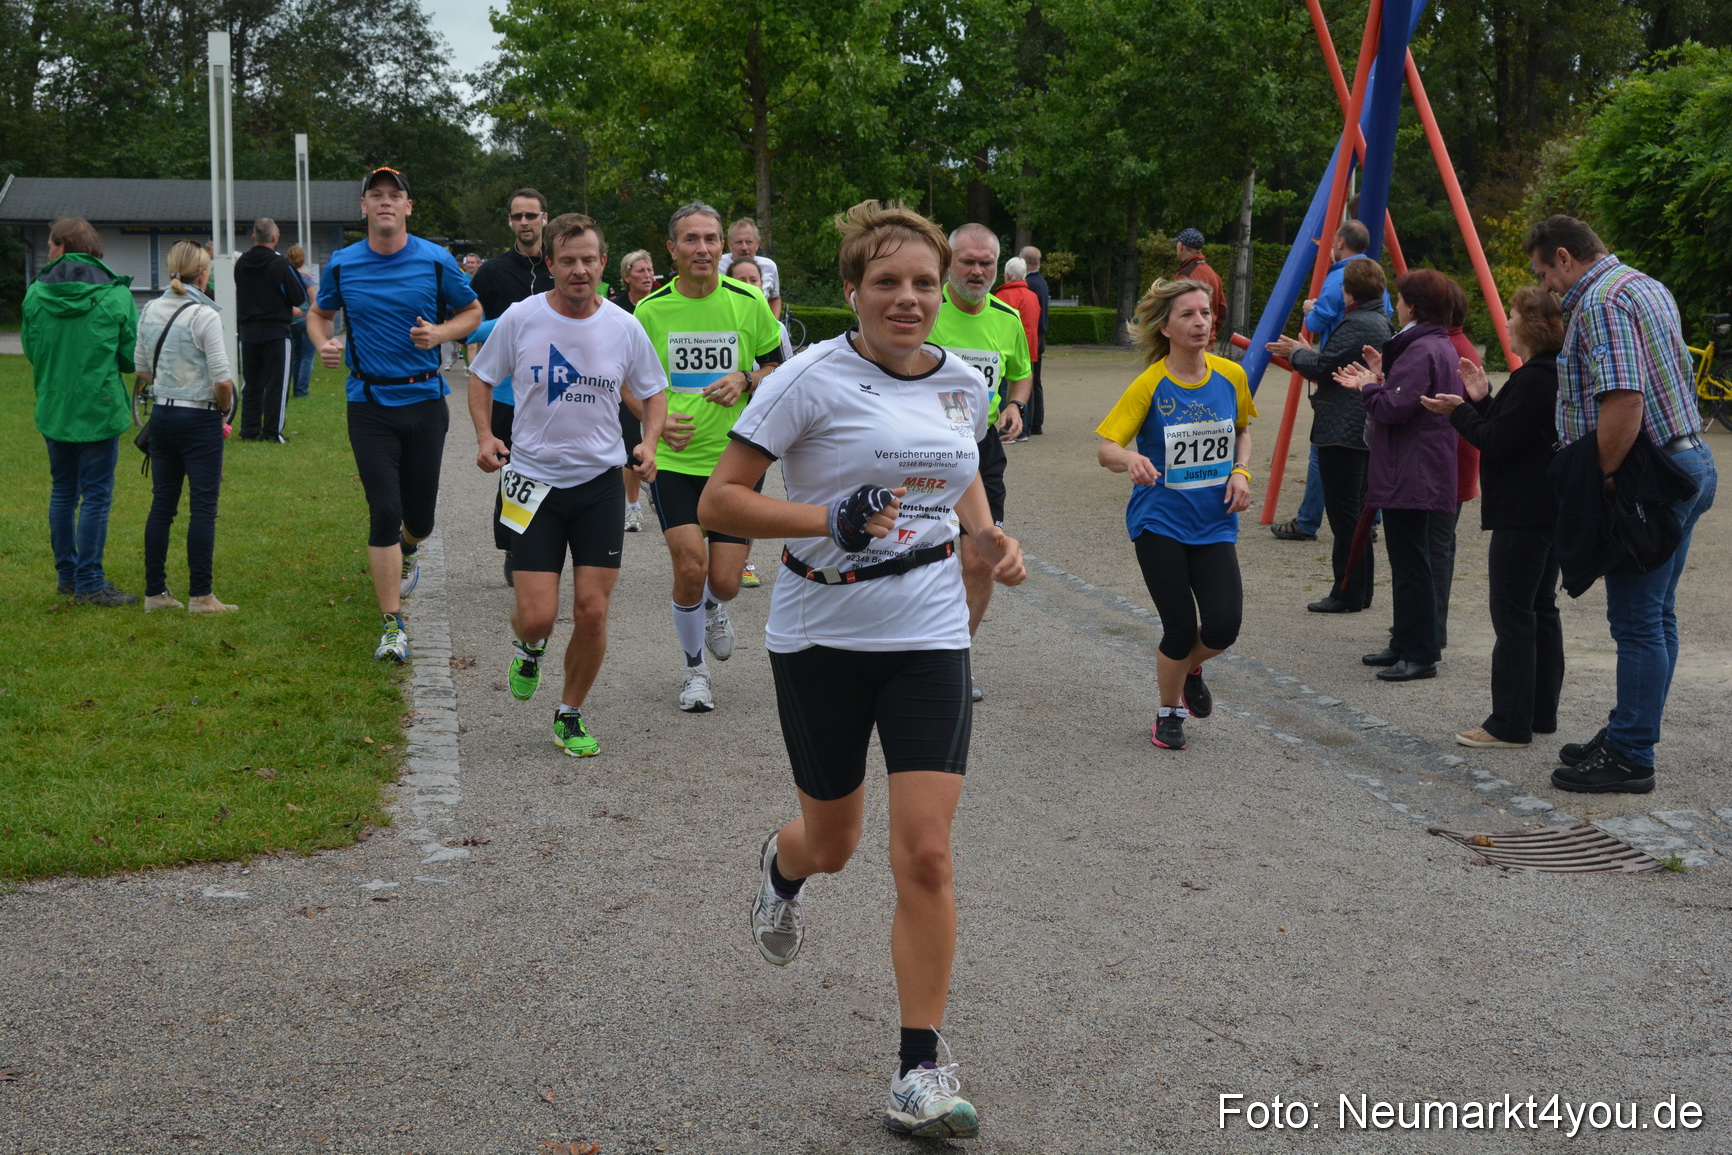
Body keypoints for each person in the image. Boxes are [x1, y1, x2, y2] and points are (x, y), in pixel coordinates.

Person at [699, 199, 1024, 1141]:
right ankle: (782, 862)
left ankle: (918, 1070)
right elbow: (724, 498)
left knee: (925, 851)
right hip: (820, 635)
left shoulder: (962, 381)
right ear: (853, 291)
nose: (909, 298)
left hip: (926, 632)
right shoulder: (804, 380)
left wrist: (989, 539)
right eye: (887, 282)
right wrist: (828, 518)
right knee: (833, 840)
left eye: (923, 282)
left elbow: (962, 469)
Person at [1525, 215, 1716, 793]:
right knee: (1657, 617)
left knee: (1636, 622)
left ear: (1564, 256)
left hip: (1647, 477)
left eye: (1543, 273)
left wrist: (1604, 480)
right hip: (1685, 460)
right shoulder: (1643, 285)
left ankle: (1633, 754)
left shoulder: (1601, 301)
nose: (1547, 288)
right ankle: (1631, 729)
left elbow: (1625, 401)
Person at [467, 213, 668, 757]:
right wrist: (486, 437)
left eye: (589, 260)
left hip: (600, 483)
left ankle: (569, 713)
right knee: (537, 615)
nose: (579, 270)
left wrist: (649, 443)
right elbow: (482, 376)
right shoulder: (521, 317)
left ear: (604, 264)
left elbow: (653, 391)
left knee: (593, 610)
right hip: (532, 484)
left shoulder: (625, 326)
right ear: (550, 263)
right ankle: (529, 649)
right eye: (568, 261)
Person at [306, 166, 482, 662]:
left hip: (425, 400)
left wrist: (442, 334)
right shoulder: (343, 263)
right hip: (369, 404)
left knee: (419, 519)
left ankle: (410, 548)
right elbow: (319, 314)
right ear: (363, 207)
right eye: (375, 195)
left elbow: (472, 312)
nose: (385, 202)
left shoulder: (435, 259)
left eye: (394, 195)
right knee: (384, 510)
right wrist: (326, 342)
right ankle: (392, 625)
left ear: (408, 207)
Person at [633, 202, 785, 711]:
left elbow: (775, 368)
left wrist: (745, 378)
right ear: (671, 249)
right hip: (676, 463)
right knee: (690, 565)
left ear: (723, 247)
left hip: (735, 462)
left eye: (711, 239)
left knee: (724, 580)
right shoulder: (650, 312)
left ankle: (716, 608)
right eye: (691, 240)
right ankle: (693, 670)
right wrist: (653, 423)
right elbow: (624, 382)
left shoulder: (747, 301)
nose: (703, 248)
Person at [1097, 279, 1256, 750]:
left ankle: (1190, 669)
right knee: (1181, 626)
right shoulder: (1150, 383)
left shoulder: (1231, 376)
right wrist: (1130, 460)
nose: (1201, 322)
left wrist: (1242, 472)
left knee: (1225, 625)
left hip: (1214, 521)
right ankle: (1168, 713)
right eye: (1187, 314)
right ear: (1165, 326)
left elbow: (1242, 430)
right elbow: (1107, 448)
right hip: (1159, 521)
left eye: (1205, 313)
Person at [1419, 286, 1564, 747]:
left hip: (1524, 512)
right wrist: (1481, 400)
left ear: (1530, 326)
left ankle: (1509, 722)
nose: (1507, 324)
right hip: (1544, 508)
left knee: (1515, 614)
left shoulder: (1537, 377)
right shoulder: (1545, 374)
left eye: (1513, 316)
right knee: (1540, 609)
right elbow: (1508, 428)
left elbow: (1498, 441)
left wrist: (1459, 411)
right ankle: (1538, 713)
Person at [1333, 268, 1466, 683]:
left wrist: (1369, 387)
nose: (1398, 303)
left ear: (1414, 304)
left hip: (1413, 469)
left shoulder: (1422, 347)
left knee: (1412, 563)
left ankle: (1420, 652)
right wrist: (1383, 378)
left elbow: (1394, 407)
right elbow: (1404, 394)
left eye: (1403, 297)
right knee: (1410, 560)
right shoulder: (1432, 344)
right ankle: (1406, 642)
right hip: (1417, 466)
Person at [927, 222, 1033, 703]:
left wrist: (1015, 406)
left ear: (997, 266)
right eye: (967, 261)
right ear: (949, 263)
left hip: (980, 449)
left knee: (981, 559)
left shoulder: (1007, 319)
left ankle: (956, 657)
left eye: (985, 263)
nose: (976, 271)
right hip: (922, 448)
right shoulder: (927, 311)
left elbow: (1021, 376)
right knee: (916, 555)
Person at [23, 217, 140, 605]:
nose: (48, 253)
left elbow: (32, 351)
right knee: (95, 497)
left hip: (56, 406)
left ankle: (70, 577)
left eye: (51, 246)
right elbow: (129, 359)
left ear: (61, 246)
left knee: (63, 492)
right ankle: (89, 582)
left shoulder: (35, 295)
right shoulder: (116, 296)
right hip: (98, 408)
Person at [1266, 257, 1392, 612]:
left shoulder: (1357, 324)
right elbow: (1333, 360)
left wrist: (1297, 355)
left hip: (1343, 430)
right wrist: (1305, 353)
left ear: (1347, 291)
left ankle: (1347, 591)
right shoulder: (1378, 320)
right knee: (1357, 515)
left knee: (1345, 516)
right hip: (1360, 428)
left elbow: (1324, 368)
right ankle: (1360, 590)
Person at [133, 241, 238, 614]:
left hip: (162, 416)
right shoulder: (204, 315)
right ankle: (201, 595)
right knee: (203, 508)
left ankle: (155, 592)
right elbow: (223, 380)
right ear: (204, 274)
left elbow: (142, 370)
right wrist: (224, 411)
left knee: (162, 505)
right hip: (199, 417)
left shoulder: (149, 310)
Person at [1272, 219, 1385, 543]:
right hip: (1358, 385)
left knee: (1323, 459)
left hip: (1340, 389)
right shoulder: (1379, 299)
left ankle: (1308, 521)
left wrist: (1310, 313)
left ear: (1339, 243)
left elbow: (1319, 328)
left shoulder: (1340, 277)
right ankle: (1371, 521)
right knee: (1365, 468)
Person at [471, 189, 557, 587]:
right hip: (509, 391)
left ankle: (551, 544)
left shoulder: (561, 264)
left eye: (531, 215)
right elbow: (467, 324)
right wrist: (509, 322)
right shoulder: (492, 273)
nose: (524, 222)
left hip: (557, 385)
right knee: (514, 473)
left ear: (544, 218)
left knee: (557, 467)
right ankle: (513, 547)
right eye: (517, 216)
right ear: (510, 221)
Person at [233, 218, 307, 442]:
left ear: (254, 237)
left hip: (247, 331)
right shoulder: (281, 265)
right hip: (276, 330)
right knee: (277, 383)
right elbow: (298, 295)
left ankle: (249, 429)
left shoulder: (241, 263)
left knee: (252, 383)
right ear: (275, 238)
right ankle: (272, 432)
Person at [607, 249, 659, 532]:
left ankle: (656, 488)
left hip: (654, 385)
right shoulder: (614, 308)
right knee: (630, 447)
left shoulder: (660, 305)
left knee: (657, 442)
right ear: (627, 277)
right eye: (640, 271)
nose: (647, 276)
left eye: (650, 270)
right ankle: (633, 507)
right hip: (623, 387)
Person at [993, 257, 1041, 443]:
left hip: (1009, 351)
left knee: (1007, 391)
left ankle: (1008, 430)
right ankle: (1024, 429)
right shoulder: (1032, 296)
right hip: (1029, 349)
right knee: (1023, 390)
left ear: (1007, 275)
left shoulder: (1003, 296)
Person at [717, 217, 783, 319]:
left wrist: (773, 323)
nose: (744, 248)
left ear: (756, 244)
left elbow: (774, 299)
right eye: (739, 242)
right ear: (729, 245)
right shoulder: (716, 265)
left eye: (749, 242)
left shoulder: (769, 266)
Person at [1173, 228, 1226, 344]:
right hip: (1208, 341)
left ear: (1181, 246)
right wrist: (1210, 333)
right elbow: (1222, 311)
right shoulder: (1213, 274)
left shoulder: (1184, 276)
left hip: (1189, 344)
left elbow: (1177, 312)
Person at [1019, 245, 1050, 435]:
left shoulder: (1030, 284)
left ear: (1025, 261)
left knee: (1028, 380)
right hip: (1040, 336)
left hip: (1032, 338)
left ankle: (1029, 423)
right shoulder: (1042, 282)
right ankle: (1036, 422)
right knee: (1036, 381)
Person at [285, 245, 317, 399]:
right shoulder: (306, 279)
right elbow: (315, 301)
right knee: (307, 357)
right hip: (306, 320)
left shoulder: (285, 279)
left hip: (292, 322)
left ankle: (294, 388)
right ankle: (301, 390)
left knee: (296, 357)